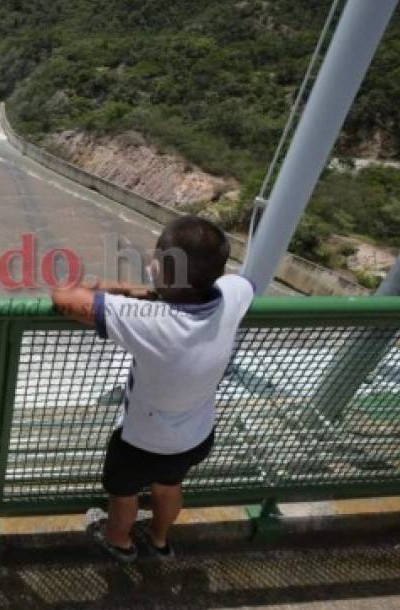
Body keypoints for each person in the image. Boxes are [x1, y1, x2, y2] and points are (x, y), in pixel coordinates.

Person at [51, 215, 254, 561]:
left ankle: (119, 542)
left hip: (140, 442)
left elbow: (64, 296)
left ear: (160, 266)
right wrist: (157, 290)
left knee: (124, 493)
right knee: (169, 485)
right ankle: (160, 541)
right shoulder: (234, 298)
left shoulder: (148, 320)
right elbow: (240, 283)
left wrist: (132, 291)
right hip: (195, 437)